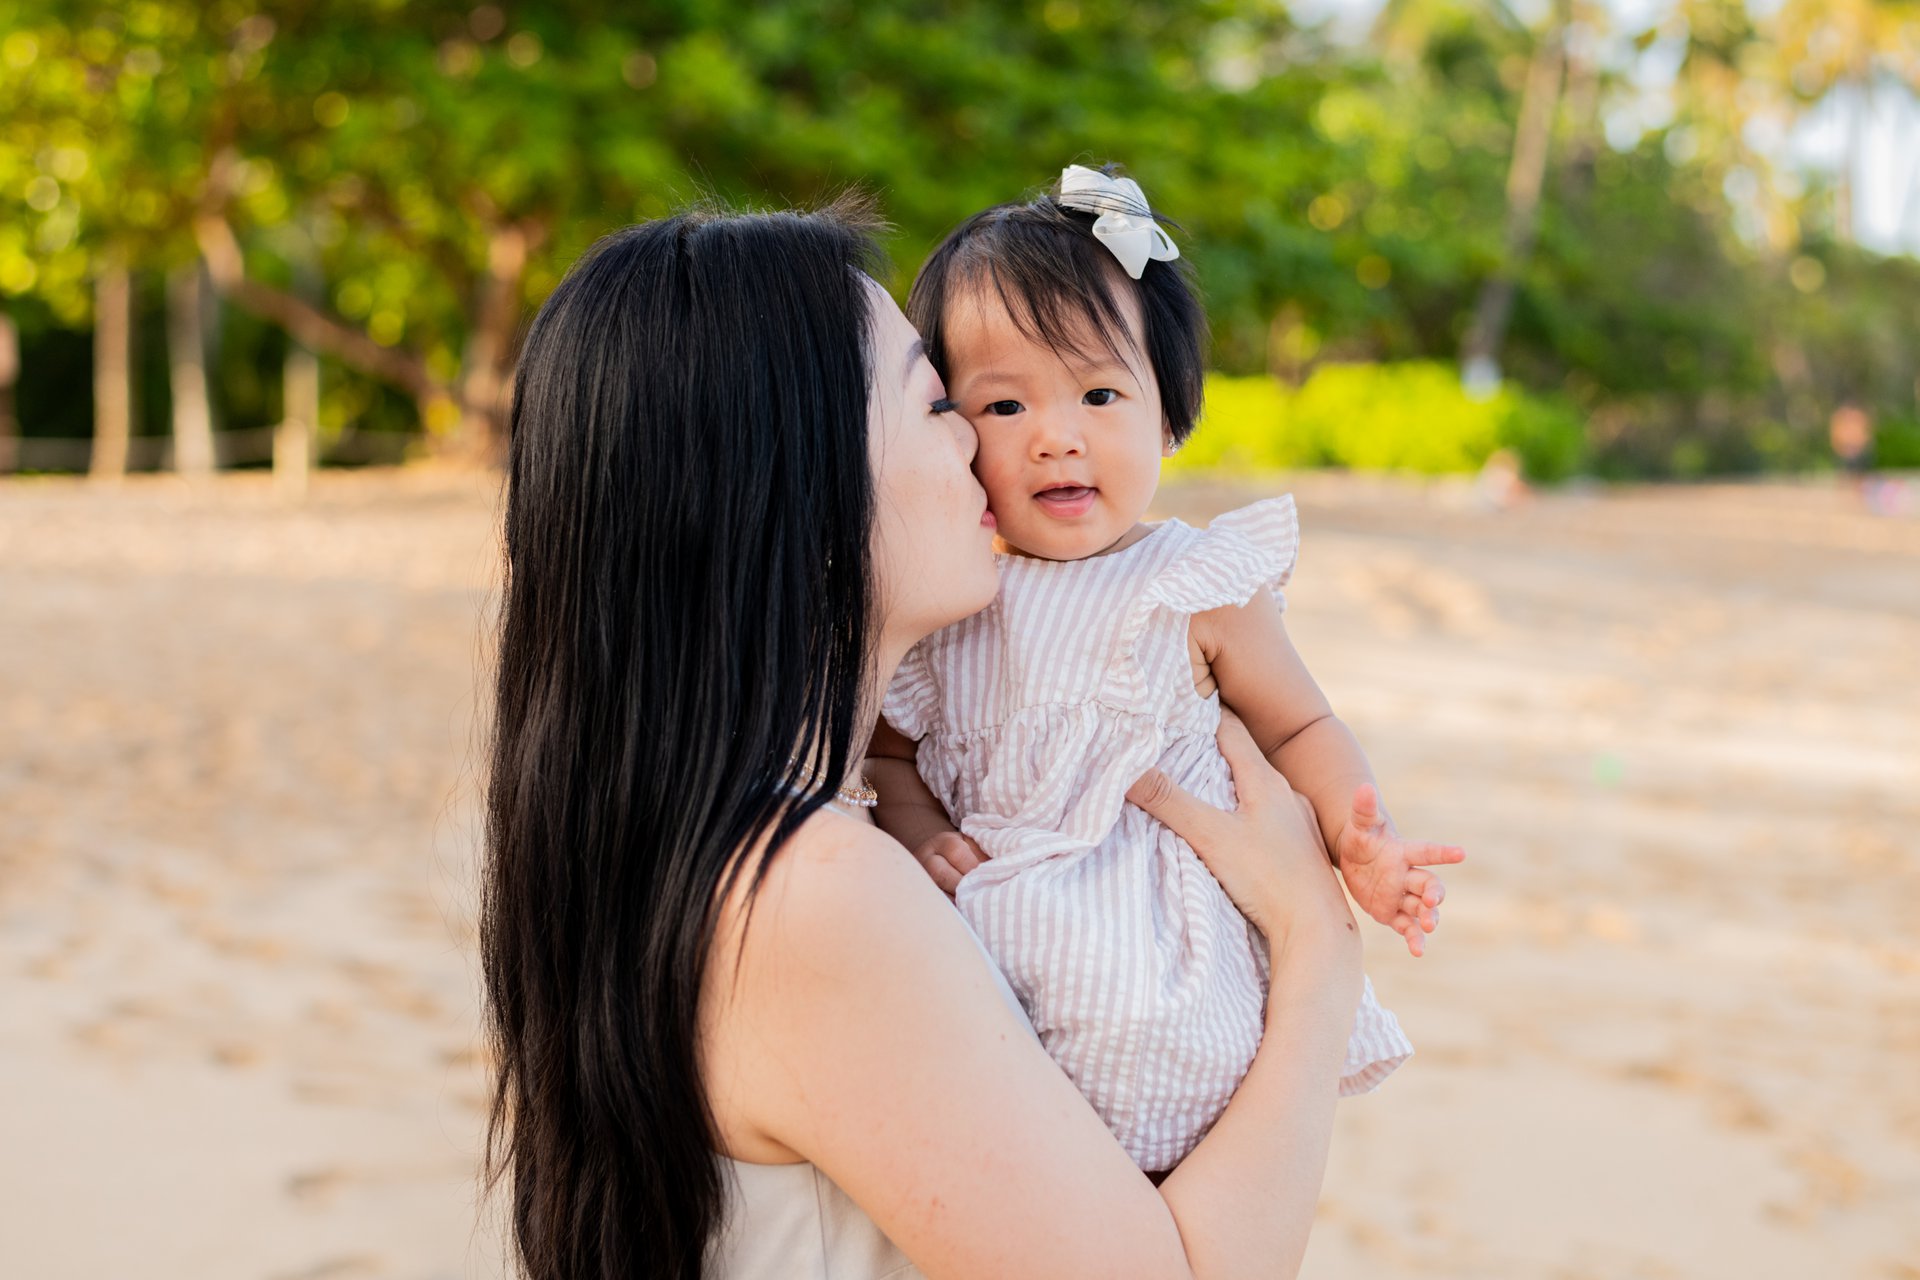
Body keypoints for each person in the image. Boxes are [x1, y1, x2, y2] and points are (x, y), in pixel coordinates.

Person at [482, 198, 1388, 1278]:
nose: (984, 437)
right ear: (798, 483)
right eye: (940, 401)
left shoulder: (706, 832)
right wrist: (1318, 953)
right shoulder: (813, 889)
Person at [868, 165, 1465, 1174]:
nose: (1058, 435)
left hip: (1174, 964)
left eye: (1100, 392)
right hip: (1000, 961)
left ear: (1170, 416)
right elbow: (886, 753)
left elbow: (1298, 727)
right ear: (952, 427)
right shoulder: (952, 598)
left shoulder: (1196, 580)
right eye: (1005, 405)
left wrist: (1361, 838)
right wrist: (923, 828)